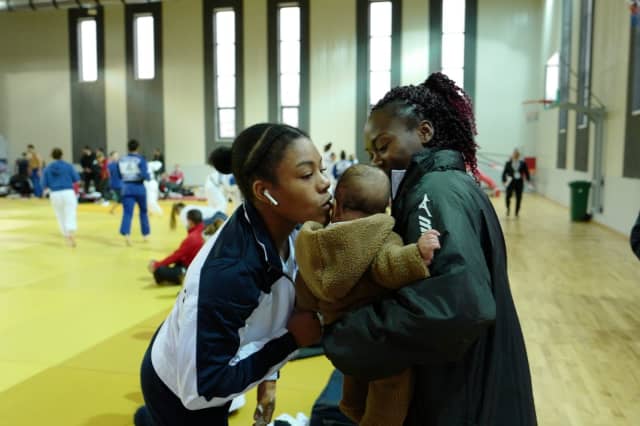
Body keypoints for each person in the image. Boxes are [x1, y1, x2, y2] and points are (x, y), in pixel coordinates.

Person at [321, 73, 537, 426]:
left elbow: (458, 306)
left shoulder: (433, 191)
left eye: (384, 145)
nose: (376, 160)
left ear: (424, 132)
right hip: (476, 389)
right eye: (371, 152)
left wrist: (349, 334)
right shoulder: (445, 184)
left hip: (466, 400)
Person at [133, 123, 327, 426]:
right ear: (264, 191)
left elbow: (268, 312)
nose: (325, 183)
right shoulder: (231, 273)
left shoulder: (290, 229)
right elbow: (201, 390)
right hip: (180, 395)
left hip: (201, 359)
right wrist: (290, 342)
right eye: (307, 175)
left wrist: (269, 378)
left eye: (321, 170)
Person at [295, 164, 441, 426]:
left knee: (354, 376)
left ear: (336, 206)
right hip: (375, 334)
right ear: (386, 206)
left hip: (339, 333)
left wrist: (306, 308)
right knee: (391, 386)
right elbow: (389, 266)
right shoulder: (381, 238)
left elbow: (304, 282)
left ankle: (351, 406)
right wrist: (416, 254)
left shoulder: (315, 242)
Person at [148, 209, 205, 285]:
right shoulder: (202, 231)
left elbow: (177, 255)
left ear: (190, 222)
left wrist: (157, 264)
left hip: (191, 270)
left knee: (159, 271)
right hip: (198, 267)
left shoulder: (193, 237)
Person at [41, 148, 80, 247]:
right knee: (70, 213)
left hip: (55, 193)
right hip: (68, 192)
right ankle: (71, 232)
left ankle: (66, 235)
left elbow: (44, 184)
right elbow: (76, 179)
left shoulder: (47, 169)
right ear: (62, 155)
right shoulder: (68, 166)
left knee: (60, 215)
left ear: (52, 156)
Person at [116, 139, 150, 245]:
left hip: (126, 188)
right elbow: (145, 174)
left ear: (128, 148)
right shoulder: (140, 159)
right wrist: (148, 178)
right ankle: (145, 234)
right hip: (139, 187)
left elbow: (119, 174)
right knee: (143, 211)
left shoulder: (121, 160)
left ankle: (126, 234)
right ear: (137, 147)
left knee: (127, 213)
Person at [502, 148, 531, 217]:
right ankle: (508, 209)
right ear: (512, 155)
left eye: (517, 154)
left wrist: (528, 180)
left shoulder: (523, 163)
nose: (515, 155)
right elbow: (504, 173)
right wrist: (504, 181)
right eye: (514, 154)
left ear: (519, 155)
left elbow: (526, 172)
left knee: (519, 197)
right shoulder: (508, 163)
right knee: (508, 196)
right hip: (510, 182)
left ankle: (517, 212)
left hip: (519, 183)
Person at [204, 148, 230, 213]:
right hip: (213, 185)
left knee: (213, 206)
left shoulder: (219, 165)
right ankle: (219, 221)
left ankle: (210, 221)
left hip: (211, 184)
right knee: (222, 204)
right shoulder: (223, 166)